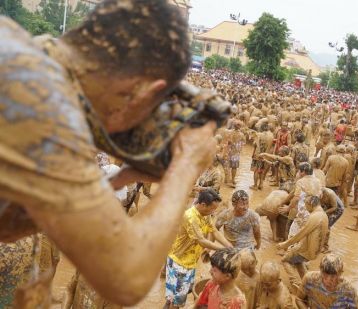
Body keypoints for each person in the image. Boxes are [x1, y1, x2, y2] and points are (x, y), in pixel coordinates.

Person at [0, 1, 217, 305]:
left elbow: (10, 217)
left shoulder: (24, 51)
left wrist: (118, 179)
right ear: (141, 90)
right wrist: (188, 163)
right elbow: (126, 279)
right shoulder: (48, 104)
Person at [165, 189, 233, 308]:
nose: (213, 211)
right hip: (180, 262)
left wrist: (228, 245)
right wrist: (222, 250)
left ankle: (169, 302)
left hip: (190, 261)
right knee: (178, 300)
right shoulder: (190, 217)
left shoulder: (205, 214)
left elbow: (214, 231)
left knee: (179, 293)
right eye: (212, 209)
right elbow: (201, 241)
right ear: (202, 205)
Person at [277, 196, 328, 292]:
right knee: (297, 261)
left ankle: (298, 285)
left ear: (311, 205)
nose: (306, 208)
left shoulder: (314, 217)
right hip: (315, 251)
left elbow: (300, 235)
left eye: (306, 206)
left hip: (307, 250)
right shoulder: (324, 215)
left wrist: (284, 244)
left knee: (285, 260)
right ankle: (308, 284)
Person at [319, 187, 344, 253]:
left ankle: (325, 247)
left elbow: (334, 207)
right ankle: (320, 242)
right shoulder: (318, 192)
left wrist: (324, 212)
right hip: (328, 206)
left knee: (327, 226)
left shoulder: (330, 194)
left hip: (337, 209)